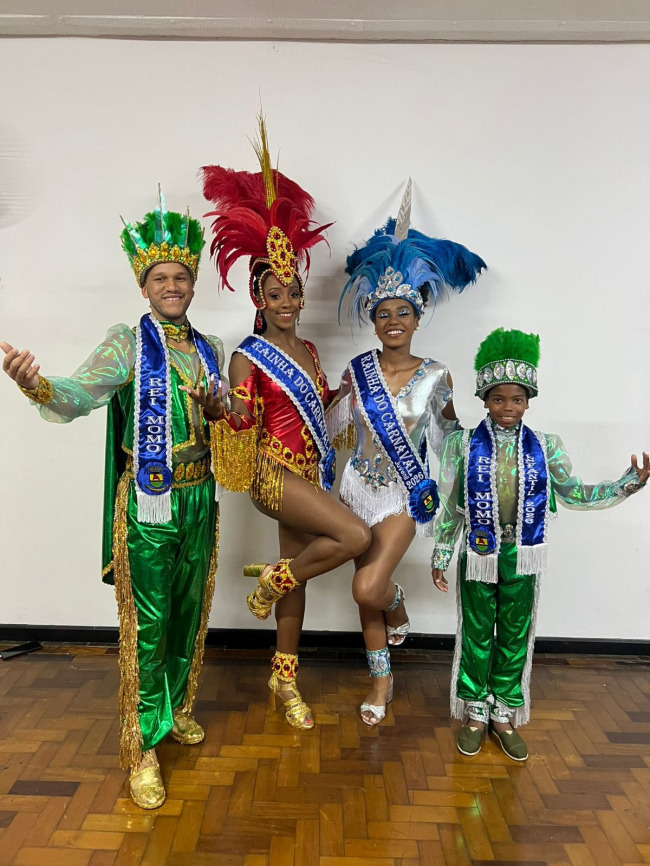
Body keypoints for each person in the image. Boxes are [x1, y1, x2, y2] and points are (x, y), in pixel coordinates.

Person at [1, 190, 227, 809]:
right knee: (148, 624)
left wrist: (221, 412)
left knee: (189, 612)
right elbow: (77, 394)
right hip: (150, 503)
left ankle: (173, 708)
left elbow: (231, 429)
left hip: (200, 497)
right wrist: (37, 384)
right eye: (161, 278)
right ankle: (141, 743)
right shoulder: (127, 343)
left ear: (193, 284)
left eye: (181, 277)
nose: (172, 286)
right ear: (143, 286)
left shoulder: (210, 348)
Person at [198, 116, 371, 730]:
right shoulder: (248, 356)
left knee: (299, 581)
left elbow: (317, 408)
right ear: (260, 299)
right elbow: (244, 417)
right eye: (277, 294)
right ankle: (273, 579)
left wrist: (349, 393)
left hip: (310, 472)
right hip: (273, 476)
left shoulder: (311, 350)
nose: (289, 302)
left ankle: (284, 676)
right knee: (355, 537)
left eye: (294, 292)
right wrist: (221, 409)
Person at [431, 327, 649, 761]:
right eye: (498, 399)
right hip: (478, 551)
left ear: (529, 401)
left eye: (516, 399)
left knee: (515, 632)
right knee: (476, 631)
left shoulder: (546, 447)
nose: (507, 408)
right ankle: (474, 710)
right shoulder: (462, 444)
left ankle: (503, 711)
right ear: (484, 400)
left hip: (524, 553)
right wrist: (441, 552)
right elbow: (452, 504)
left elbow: (573, 493)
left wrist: (626, 485)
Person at [327, 180, 486, 725]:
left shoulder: (438, 375)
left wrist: (487, 452)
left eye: (403, 312)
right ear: (373, 320)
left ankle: (395, 602)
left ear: (418, 317)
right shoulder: (357, 372)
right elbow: (332, 425)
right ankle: (382, 680)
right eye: (383, 314)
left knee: (370, 585)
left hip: (401, 495)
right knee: (361, 596)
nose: (393, 321)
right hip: (355, 491)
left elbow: (451, 438)